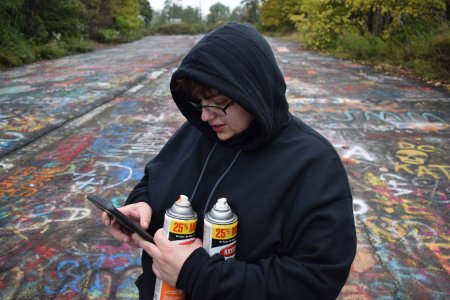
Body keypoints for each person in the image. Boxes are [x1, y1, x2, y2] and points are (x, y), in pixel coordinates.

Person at [103, 22, 356, 300]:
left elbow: (316, 280)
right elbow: (154, 179)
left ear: (253, 91)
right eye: (199, 102)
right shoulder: (196, 133)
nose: (205, 116)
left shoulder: (313, 163)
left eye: (217, 101)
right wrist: (141, 207)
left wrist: (198, 273)